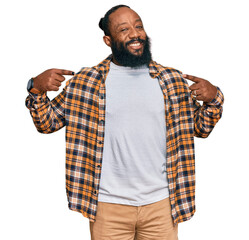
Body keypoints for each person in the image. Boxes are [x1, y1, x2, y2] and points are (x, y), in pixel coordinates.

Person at [25, 4, 224, 240]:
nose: (135, 33)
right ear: (108, 40)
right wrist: (36, 88)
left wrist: (214, 99)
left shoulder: (171, 80)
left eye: (138, 26)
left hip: (161, 205)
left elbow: (200, 129)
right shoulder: (85, 82)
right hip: (108, 207)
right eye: (124, 29)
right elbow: (46, 123)